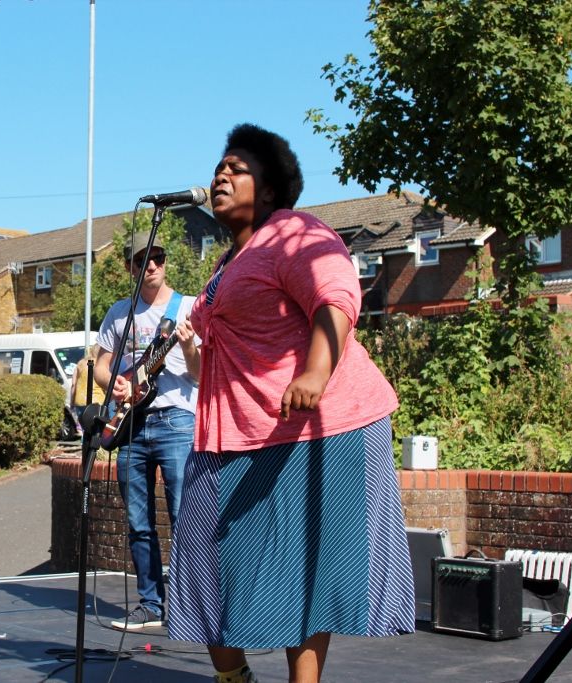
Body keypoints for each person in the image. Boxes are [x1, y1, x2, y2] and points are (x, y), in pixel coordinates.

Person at [167, 124, 414, 683]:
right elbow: (223, 361)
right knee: (203, 560)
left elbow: (337, 295)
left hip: (322, 425)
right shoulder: (225, 265)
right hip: (236, 431)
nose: (220, 176)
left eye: (237, 169)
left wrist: (315, 370)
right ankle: (235, 677)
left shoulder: (295, 233)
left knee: (308, 569)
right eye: (218, 168)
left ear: (272, 191)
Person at [94, 232, 200, 630]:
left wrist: (188, 347)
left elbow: (199, 373)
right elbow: (102, 365)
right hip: (131, 424)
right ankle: (150, 606)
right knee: (138, 522)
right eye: (142, 260)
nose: (151, 266)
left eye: (157, 258)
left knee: (182, 516)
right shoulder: (120, 313)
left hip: (175, 420)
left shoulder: (186, 308)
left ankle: (192, 606)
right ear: (130, 268)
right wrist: (115, 384)